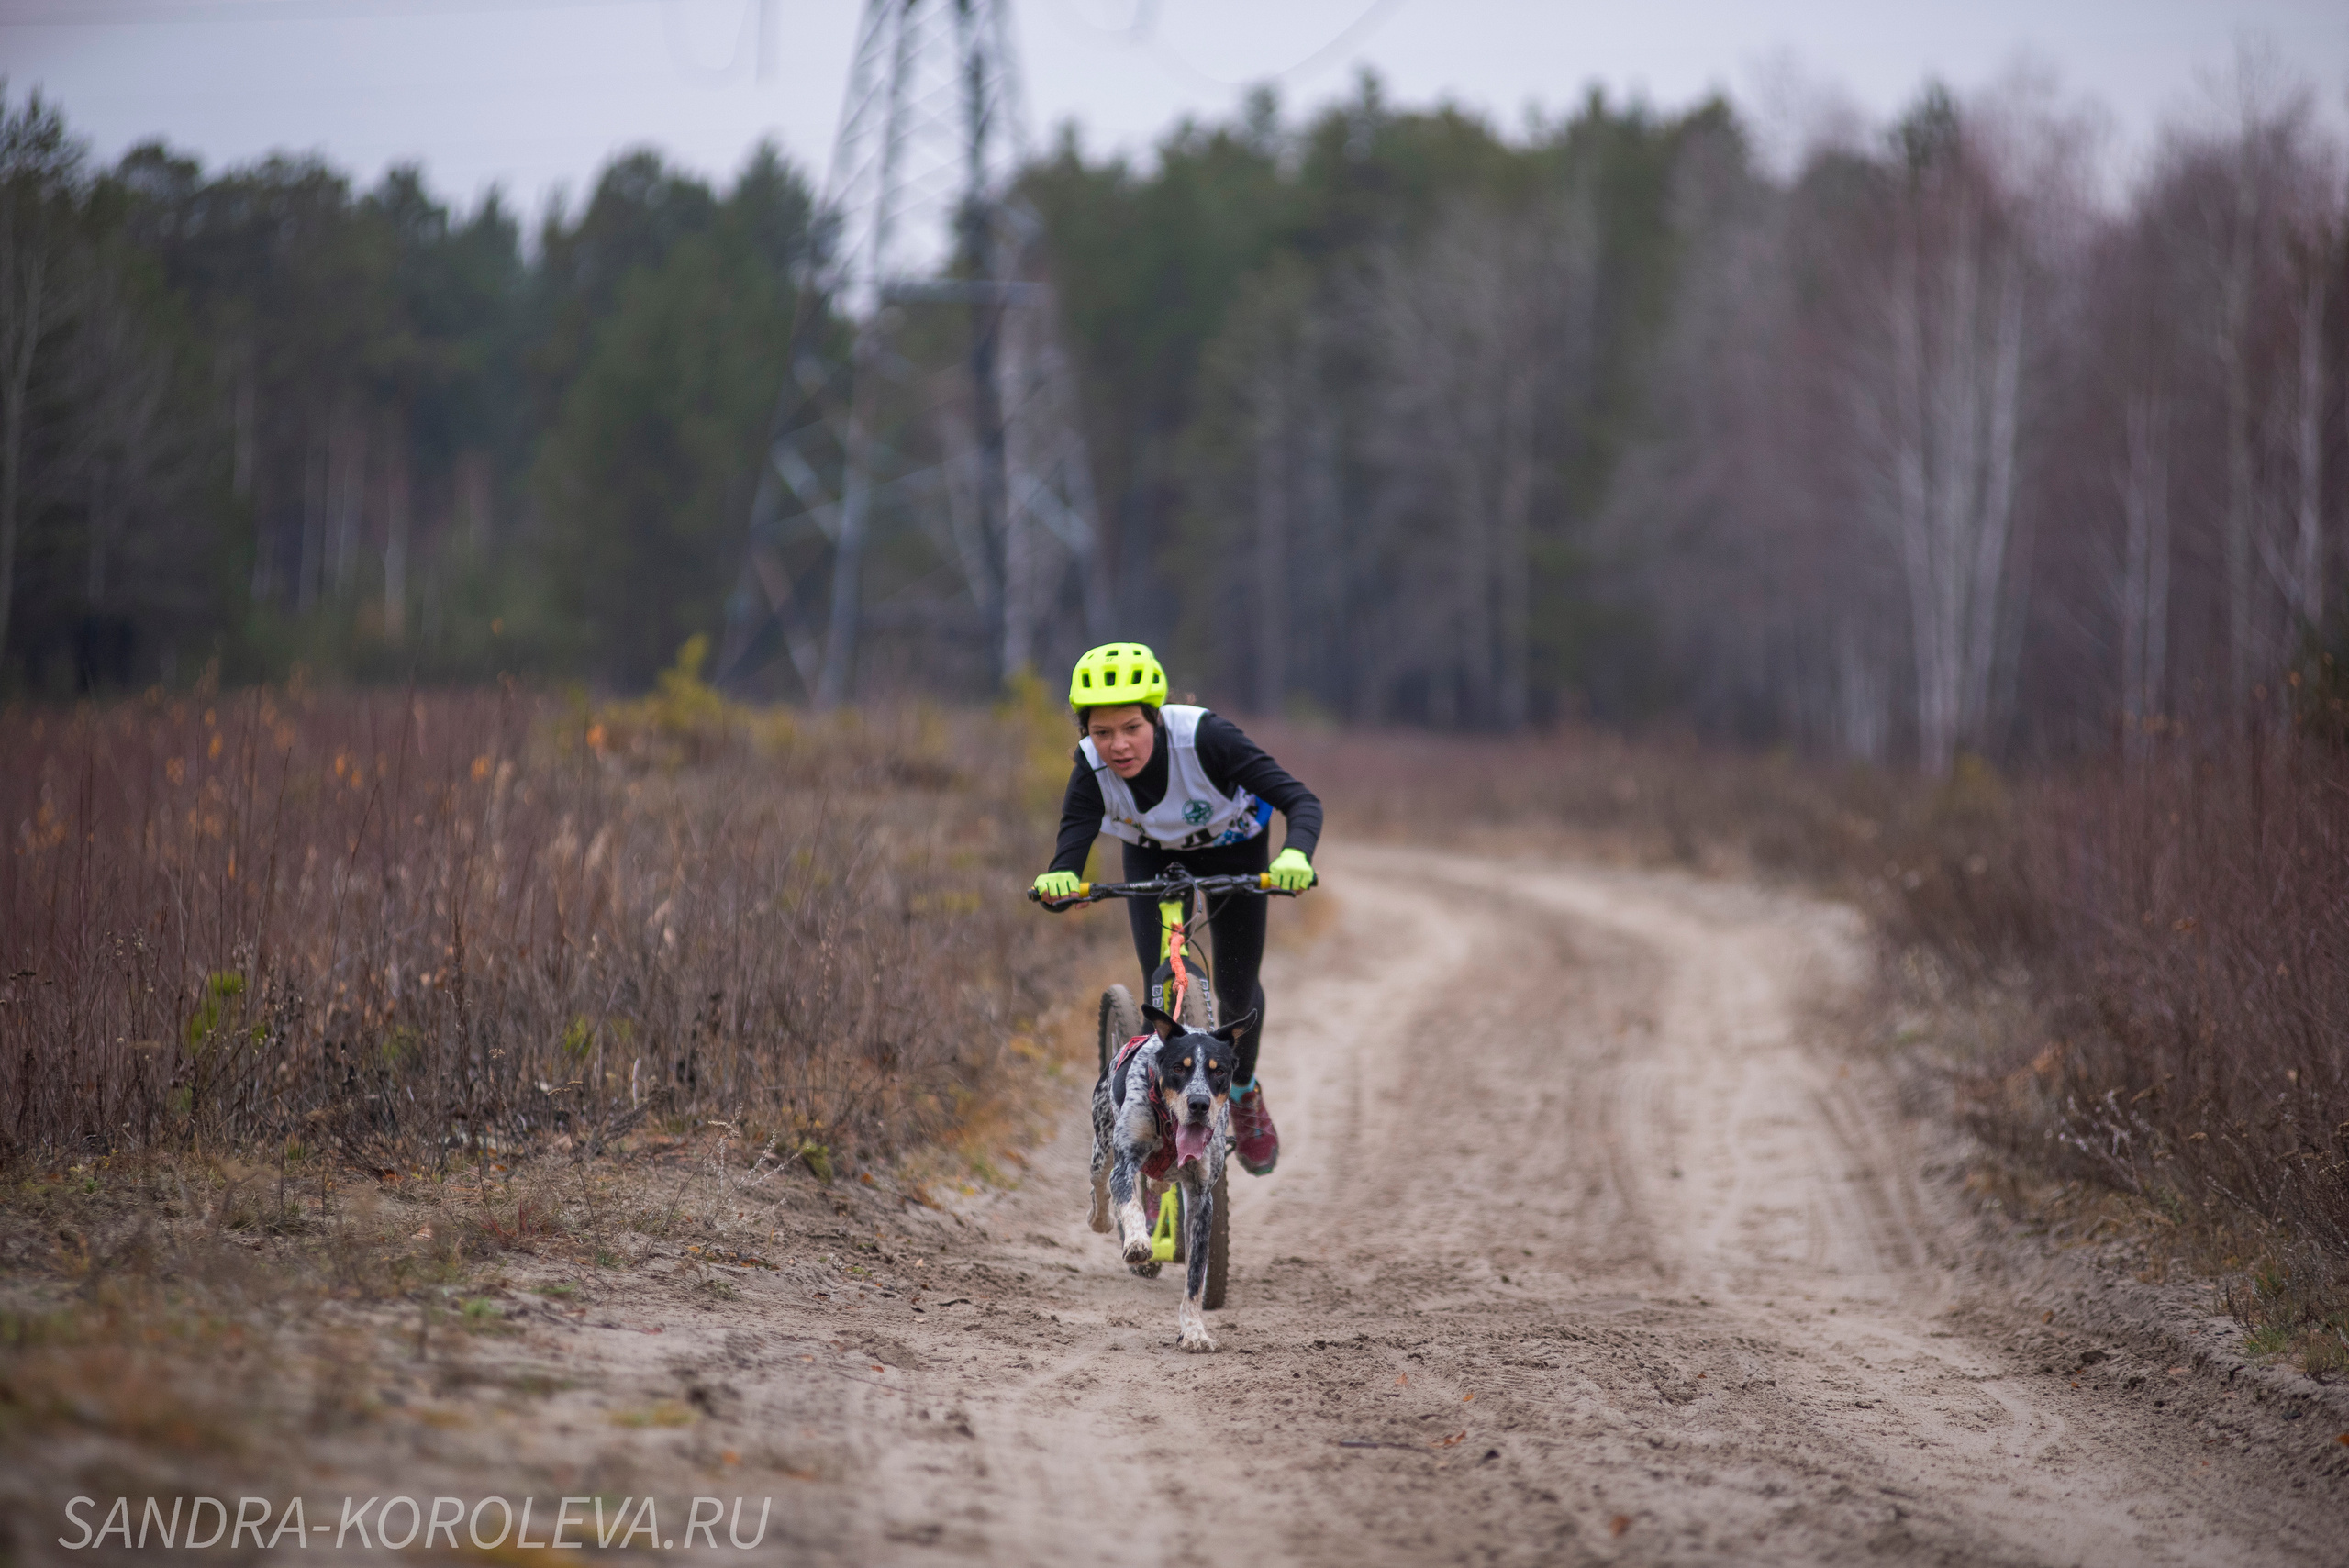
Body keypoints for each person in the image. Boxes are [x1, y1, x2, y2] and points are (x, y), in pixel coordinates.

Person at [1032, 642, 1320, 1175]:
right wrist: (1060, 878)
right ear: (1086, 733)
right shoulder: (1090, 765)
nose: (1117, 746)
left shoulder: (1205, 738)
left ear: (1157, 719)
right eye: (1101, 732)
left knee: (1236, 991)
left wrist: (1296, 854)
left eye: (1131, 728)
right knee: (1160, 992)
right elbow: (1070, 847)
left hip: (1235, 847)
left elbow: (1301, 800)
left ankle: (1241, 1091)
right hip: (1153, 856)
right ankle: (1157, 1122)